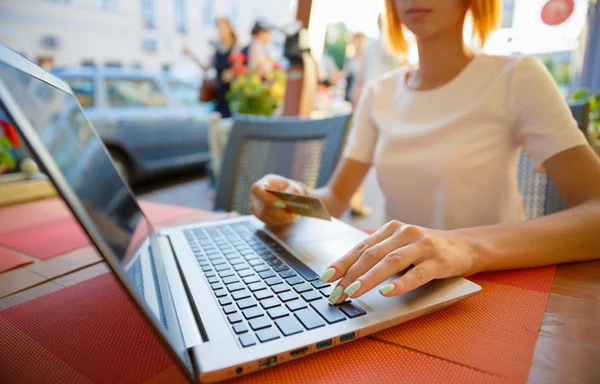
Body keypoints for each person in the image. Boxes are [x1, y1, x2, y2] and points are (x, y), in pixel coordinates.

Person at [249, 0, 600, 306]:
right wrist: (290, 200)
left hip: (495, 291)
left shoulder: (516, 77)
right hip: (399, 293)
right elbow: (337, 198)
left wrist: (464, 247)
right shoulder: (379, 94)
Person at [184, 17, 238, 118]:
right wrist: (190, 53)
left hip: (232, 95)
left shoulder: (236, 46)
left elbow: (240, 65)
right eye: (218, 28)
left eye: (222, 28)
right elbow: (205, 67)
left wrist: (231, 72)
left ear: (229, 29)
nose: (219, 31)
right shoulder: (217, 49)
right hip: (219, 95)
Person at [343, 33, 367, 104]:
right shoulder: (351, 58)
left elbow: (361, 79)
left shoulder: (364, 58)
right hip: (349, 91)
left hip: (358, 92)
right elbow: (346, 73)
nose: (353, 43)